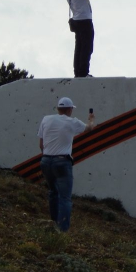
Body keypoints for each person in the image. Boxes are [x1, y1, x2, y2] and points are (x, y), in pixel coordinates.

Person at [37, 97, 95, 231]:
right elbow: (89, 128)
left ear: (58, 109)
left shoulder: (46, 119)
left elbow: (41, 144)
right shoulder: (72, 122)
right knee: (65, 198)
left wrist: (48, 157)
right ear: (70, 109)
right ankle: (62, 230)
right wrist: (91, 118)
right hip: (62, 161)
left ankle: (53, 222)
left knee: (53, 192)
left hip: (45, 160)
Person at [65, 0, 101, 78]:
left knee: (79, 47)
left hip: (77, 20)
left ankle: (78, 72)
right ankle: (84, 72)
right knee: (87, 47)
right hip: (84, 20)